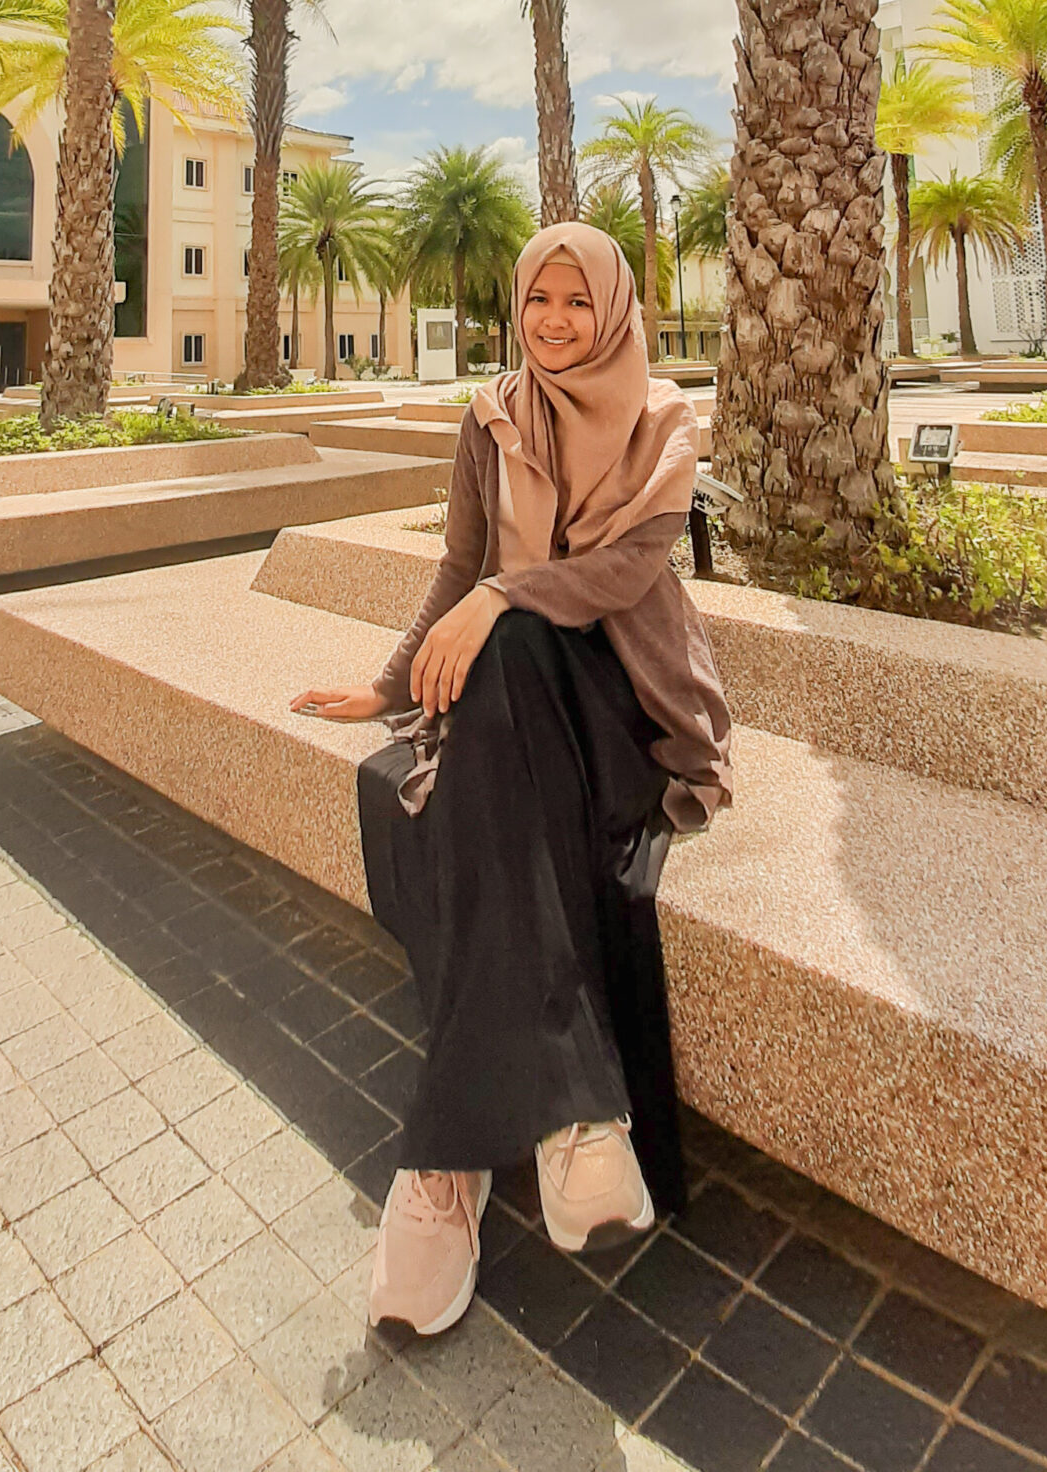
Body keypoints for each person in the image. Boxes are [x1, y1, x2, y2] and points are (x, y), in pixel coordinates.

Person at [291, 221, 732, 1338]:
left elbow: (629, 567)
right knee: (497, 683)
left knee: (516, 647)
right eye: (538, 297)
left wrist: (502, 596)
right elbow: (454, 563)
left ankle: (446, 1167)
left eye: (577, 301)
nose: (553, 319)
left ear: (614, 310)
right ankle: (571, 1121)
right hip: (509, 700)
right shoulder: (490, 415)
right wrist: (388, 687)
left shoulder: (661, 417)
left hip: (619, 699)